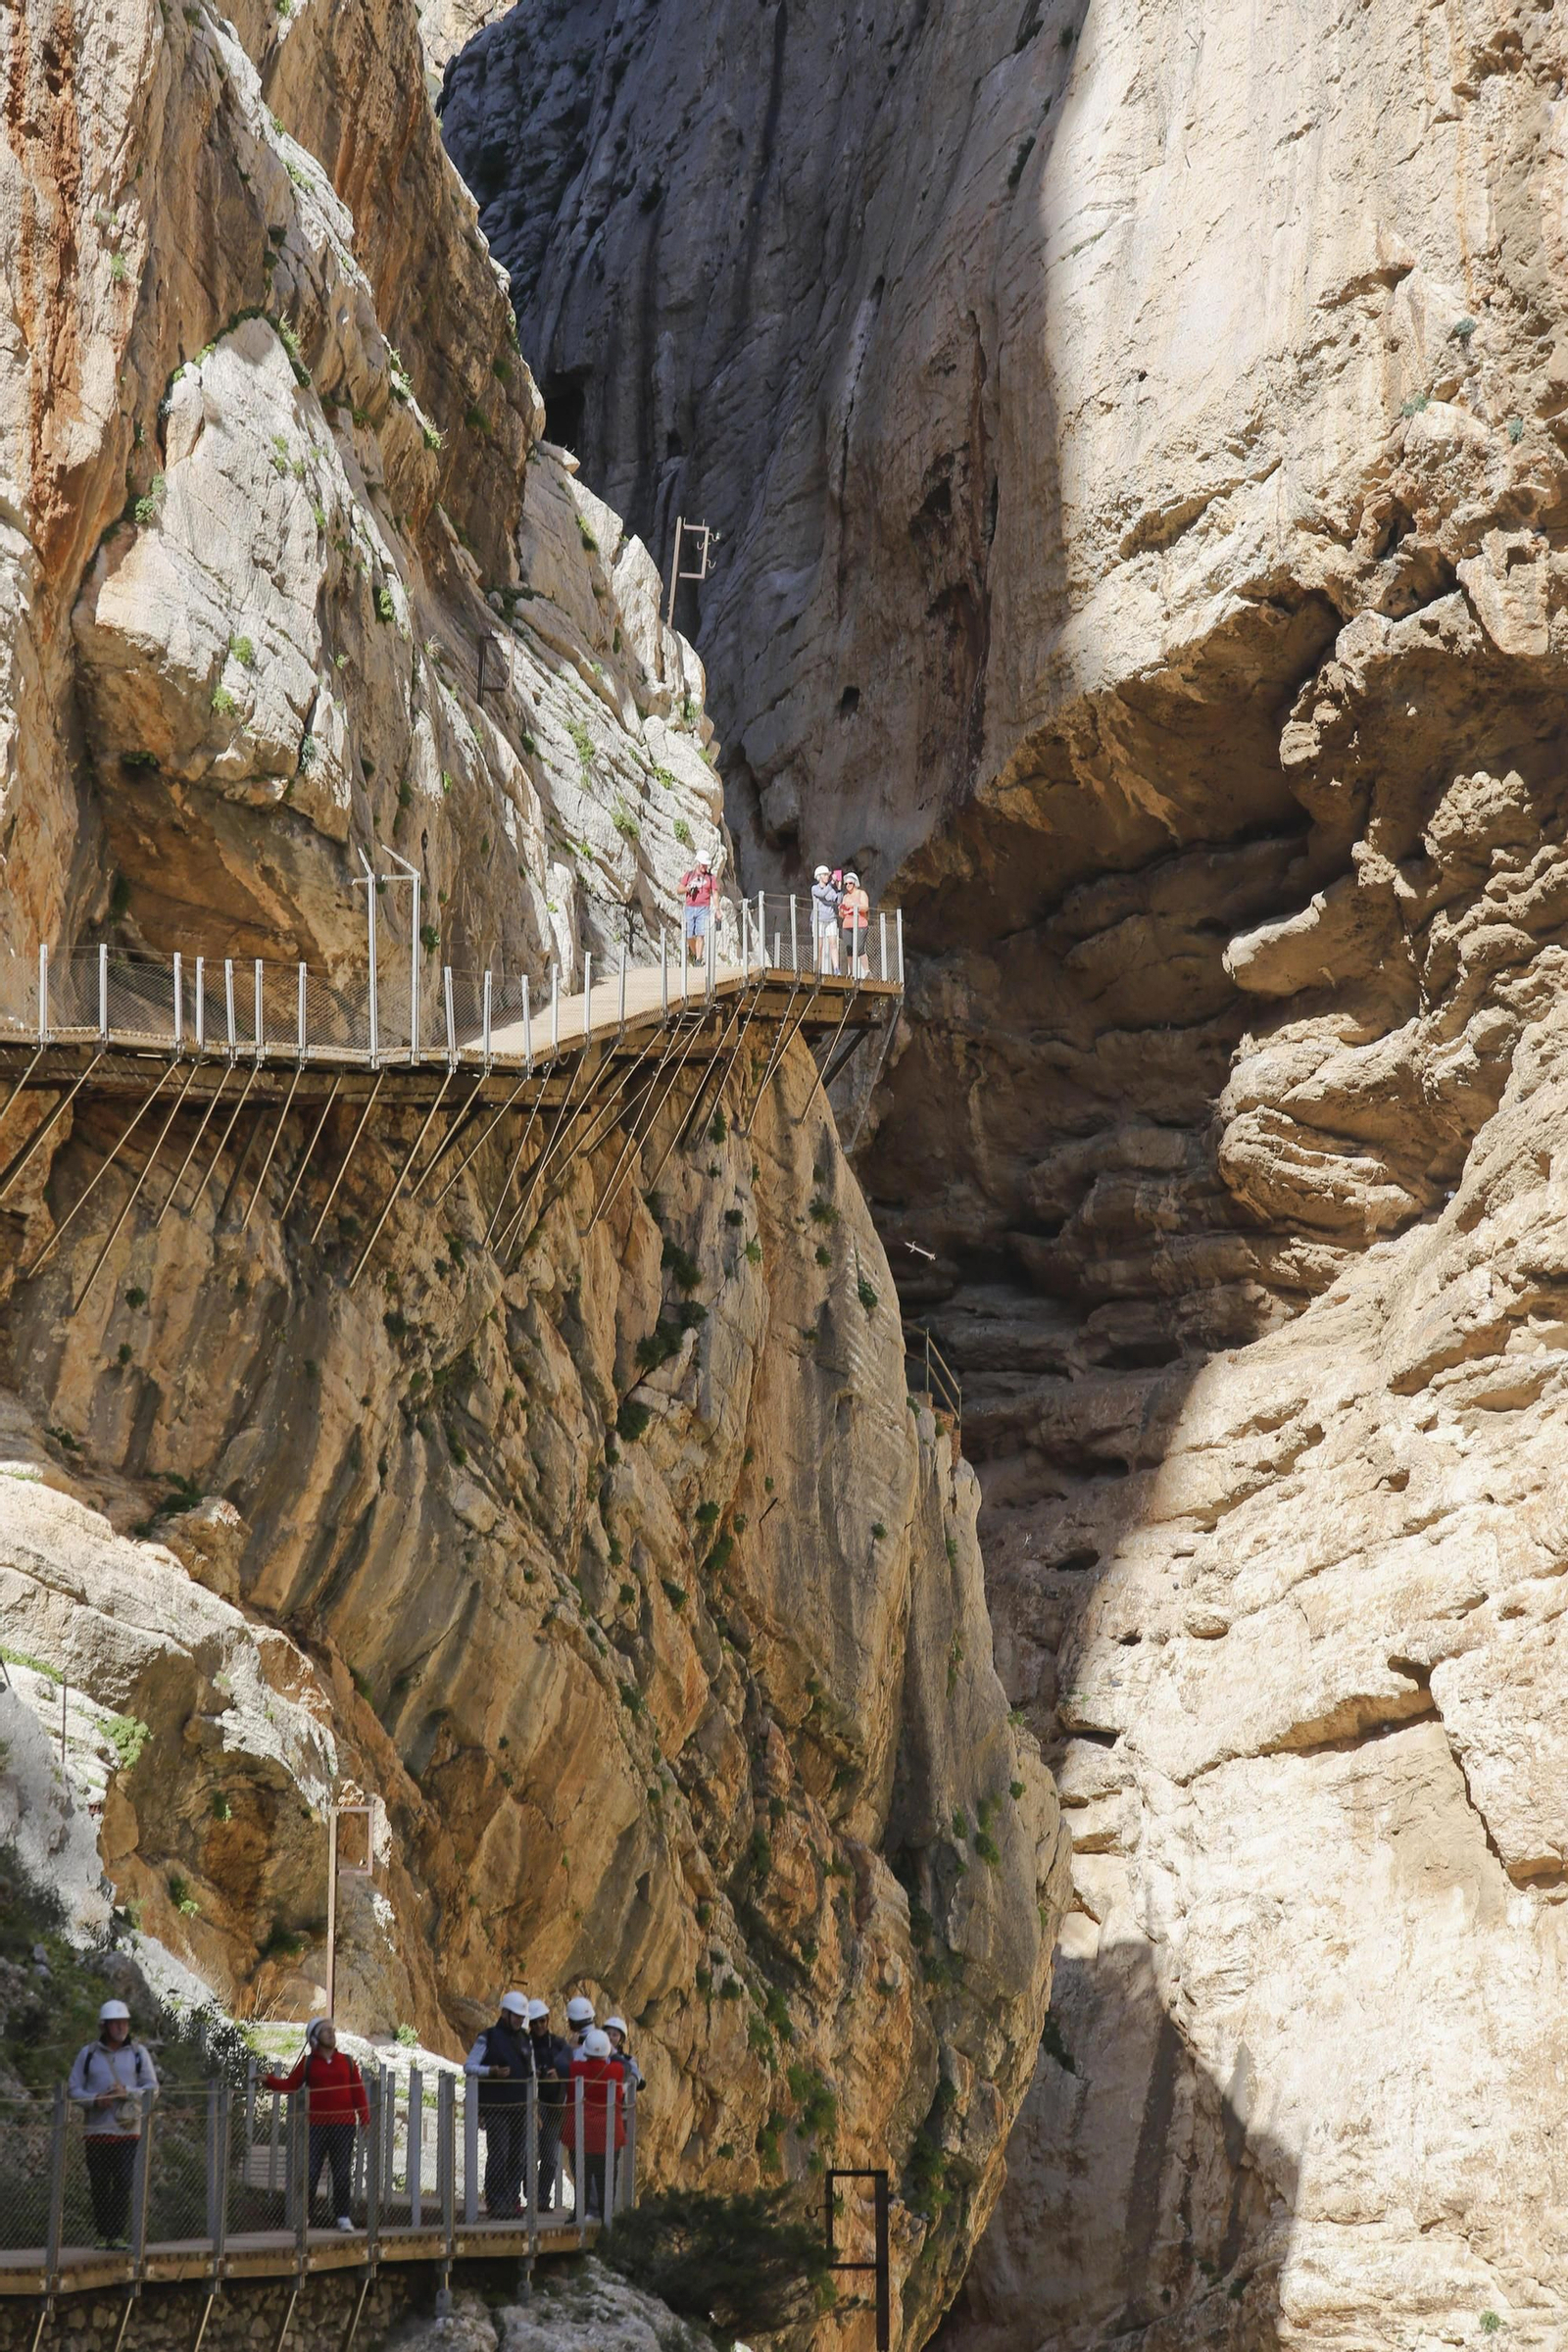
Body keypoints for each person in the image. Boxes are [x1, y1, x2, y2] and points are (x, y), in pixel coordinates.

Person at [263, 2017, 368, 2231]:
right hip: (316, 2125)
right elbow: (291, 2085)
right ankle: (305, 2216)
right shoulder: (308, 2063)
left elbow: (358, 2091)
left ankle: (343, 2216)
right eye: (325, 2031)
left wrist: (364, 2118)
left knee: (341, 2173)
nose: (331, 2033)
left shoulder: (347, 2062)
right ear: (314, 2038)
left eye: (332, 2029)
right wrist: (268, 2080)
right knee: (310, 2172)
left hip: (343, 2125)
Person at [68, 2000, 158, 2248]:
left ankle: (116, 2235)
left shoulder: (140, 2054)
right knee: (99, 2184)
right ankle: (103, 2234)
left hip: (128, 2132)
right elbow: (73, 2089)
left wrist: (126, 2092)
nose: (121, 2027)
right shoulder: (88, 2055)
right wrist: (95, 2100)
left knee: (123, 2181)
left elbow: (152, 2089)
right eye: (116, 2023)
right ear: (105, 2026)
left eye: (124, 2022)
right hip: (96, 2131)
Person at [465, 1991, 536, 2219]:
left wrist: (534, 2105)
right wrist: (491, 2071)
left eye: (521, 2017)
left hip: (520, 2108)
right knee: (499, 2154)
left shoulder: (526, 2040)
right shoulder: (488, 2037)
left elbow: (531, 2074)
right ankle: (496, 2202)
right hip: (496, 2107)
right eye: (516, 2015)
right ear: (505, 2013)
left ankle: (512, 2200)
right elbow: (469, 2066)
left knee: (518, 2155)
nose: (519, 2020)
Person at [564, 2027, 626, 2222]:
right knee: (606, 2176)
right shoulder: (616, 2070)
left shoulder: (574, 2068)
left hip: (580, 2129)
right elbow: (625, 2066)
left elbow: (561, 2064)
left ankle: (580, 2212)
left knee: (581, 2173)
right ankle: (605, 2213)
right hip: (607, 2131)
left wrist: (573, 2047)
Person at [526, 1998, 573, 2213]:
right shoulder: (525, 2044)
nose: (538, 2026)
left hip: (554, 2105)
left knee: (550, 2157)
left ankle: (542, 2198)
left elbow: (570, 2067)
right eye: (534, 2022)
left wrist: (558, 2073)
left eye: (542, 2021)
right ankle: (530, 2193)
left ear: (548, 2020)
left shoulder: (559, 2044)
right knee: (526, 2153)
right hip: (532, 2103)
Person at [680, 857, 716, 964]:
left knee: (700, 934)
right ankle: (697, 955)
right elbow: (679, 889)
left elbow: (715, 893)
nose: (705, 867)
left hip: (704, 908)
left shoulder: (710, 878)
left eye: (706, 865)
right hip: (690, 908)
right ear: (699, 863)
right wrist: (689, 888)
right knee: (689, 936)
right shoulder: (689, 875)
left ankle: (698, 960)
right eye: (703, 864)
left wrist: (717, 909)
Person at [839, 870, 870, 977]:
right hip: (847, 924)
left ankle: (866, 971)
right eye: (846, 883)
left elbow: (865, 907)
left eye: (850, 883)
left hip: (860, 923)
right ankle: (852, 972)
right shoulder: (845, 897)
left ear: (855, 883)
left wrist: (853, 905)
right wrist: (842, 910)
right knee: (849, 949)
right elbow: (842, 914)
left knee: (860, 947)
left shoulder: (861, 893)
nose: (848, 885)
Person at [810, 866, 841, 974]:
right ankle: (818, 969)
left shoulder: (831, 888)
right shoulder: (815, 888)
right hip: (818, 919)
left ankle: (836, 968)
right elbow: (822, 894)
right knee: (819, 945)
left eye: (827, 875)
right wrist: (832, 884)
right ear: (819, 877)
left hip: (831, 919)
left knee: (833, 944)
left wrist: (838, 888)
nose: (827, 877)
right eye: (824, 875)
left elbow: (837, 900)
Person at [604, 2015, 644, 2092]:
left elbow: (636, 2075)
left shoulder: (628, 2059)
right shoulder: (592, 2054)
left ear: (621, 2040)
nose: (610, 2037)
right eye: (608, 2033)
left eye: (614, 2035)